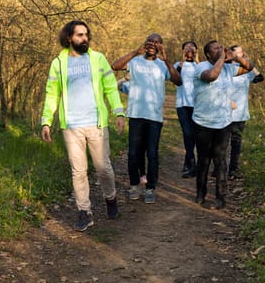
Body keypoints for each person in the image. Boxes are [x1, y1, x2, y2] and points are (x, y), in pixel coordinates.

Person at [41, 20, 126, 232]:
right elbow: (52, 94)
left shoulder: (98, 59)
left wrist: (118, 111)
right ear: (69, 38)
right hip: (71, 126)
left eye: (86, 35)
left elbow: (110, 88)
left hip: (96, 124)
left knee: (103, 168)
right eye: (79, 35)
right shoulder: (58, 63)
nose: (84, 38)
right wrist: (46, 121)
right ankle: (84, 211)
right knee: (78, 170)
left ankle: (110, 197)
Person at [111, 33, 182, 204]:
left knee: (152, 153)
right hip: (135, 114)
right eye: (150, 41)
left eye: (157, 42)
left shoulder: (162, 65)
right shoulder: (135, 62)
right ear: (145, 43)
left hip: (154, 116)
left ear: (161, 47)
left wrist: (166, 60)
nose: (153, 44)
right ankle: (134, 185)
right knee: (133, 153)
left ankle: (150, 188)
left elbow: (178, 81)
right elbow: (115, 65)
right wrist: (136, 51)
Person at [192, 40, 253, 210]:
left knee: (220, 161)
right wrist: (221, 58)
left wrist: (236, 58)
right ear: (208, 54)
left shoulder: (228, 68)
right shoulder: (200, 67)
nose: (220, 50)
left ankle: (220, 197)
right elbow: (211, 76)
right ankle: (200, 193)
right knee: (204, 160)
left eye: (221, 47)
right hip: (203, 122)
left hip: (224, 122)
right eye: (216, 49)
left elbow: (249, 67)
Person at [227, 45, 264, 180]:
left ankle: (233, 170)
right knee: (221, 144)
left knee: (236, 143)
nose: (241, 54)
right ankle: (218, 168)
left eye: (242, 53)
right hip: (224, 113)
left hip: (240, 114)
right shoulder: (225, 69)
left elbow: (260, 77)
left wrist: (249, 63)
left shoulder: (246, 71)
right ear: (231, 54)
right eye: (238, 53)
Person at [173, 41, 199, 178]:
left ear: (196, 50)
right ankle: (192, 164)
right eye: (186, 48)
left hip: (197, 104)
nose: (189, 51)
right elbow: (174, 79)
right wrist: (181, 63)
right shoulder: (177, 65)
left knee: (194, 135)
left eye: (192, 48)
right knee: (187, 133)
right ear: (182, 50)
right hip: (182, 103)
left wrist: (197, 61)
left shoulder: (201, 66)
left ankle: (187, 164)